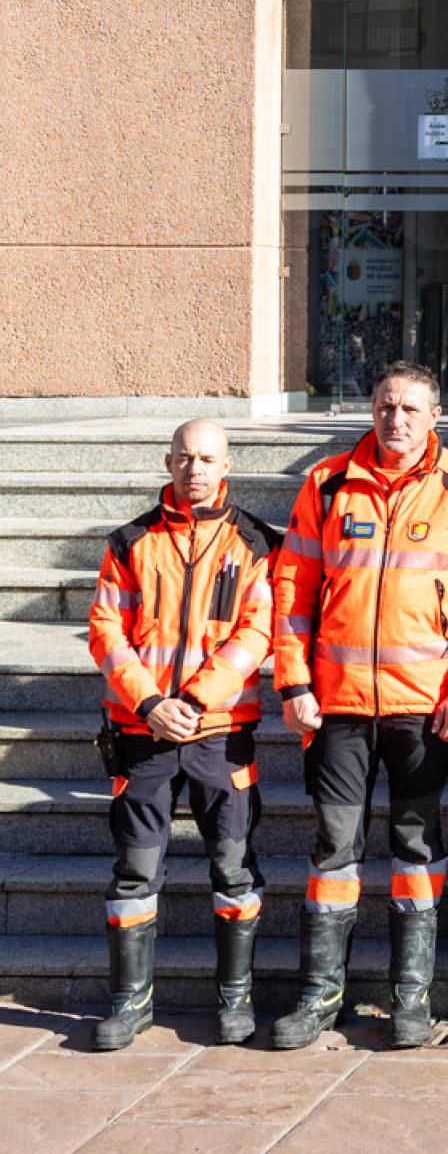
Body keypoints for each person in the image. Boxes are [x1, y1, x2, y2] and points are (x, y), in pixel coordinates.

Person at [269, 363, 448, 1049]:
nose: (394, 419)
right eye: (383, 405)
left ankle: (412, 998)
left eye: (408, 408)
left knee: (416, 849)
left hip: (423, 708)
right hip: (337, 708)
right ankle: (320, 997)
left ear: (435, 416)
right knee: (333, 851)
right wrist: (293, 684)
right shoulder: (325, 483)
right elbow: (291, 592)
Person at [86, 419, 278, 1051]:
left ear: (229, 466)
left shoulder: (255, 542)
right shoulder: (129, 540)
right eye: (185, 457)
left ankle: (234, 999)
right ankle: (130, 1003)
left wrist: (193, 699)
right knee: (134, 873)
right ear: (167, 462)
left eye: (207, 458)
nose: (195, 468)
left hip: (219, 731)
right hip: (142, 732)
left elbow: (257, 634)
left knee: (233, 867)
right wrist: (149, 702)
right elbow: (105, 632)